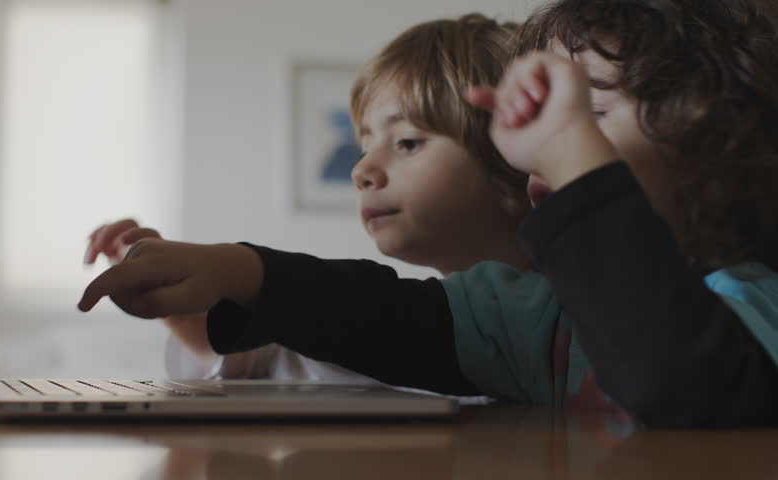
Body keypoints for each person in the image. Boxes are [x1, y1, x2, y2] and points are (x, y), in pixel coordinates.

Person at [78, 0, 778, 427]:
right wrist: (241, 269)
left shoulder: (756, 302)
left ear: (710, 134)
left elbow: (678, 380)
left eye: (589, 113)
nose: (542, 145)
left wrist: (576, 163)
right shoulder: (540, 315)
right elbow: (392, 315)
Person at [84, 14, 530, 386]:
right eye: (364, 146)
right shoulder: (367, 331)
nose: (361, 171)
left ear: (520, 159)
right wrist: (176, 307)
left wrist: (237, 269)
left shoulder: (558, 328)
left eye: (409, 142)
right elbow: (259, 359)